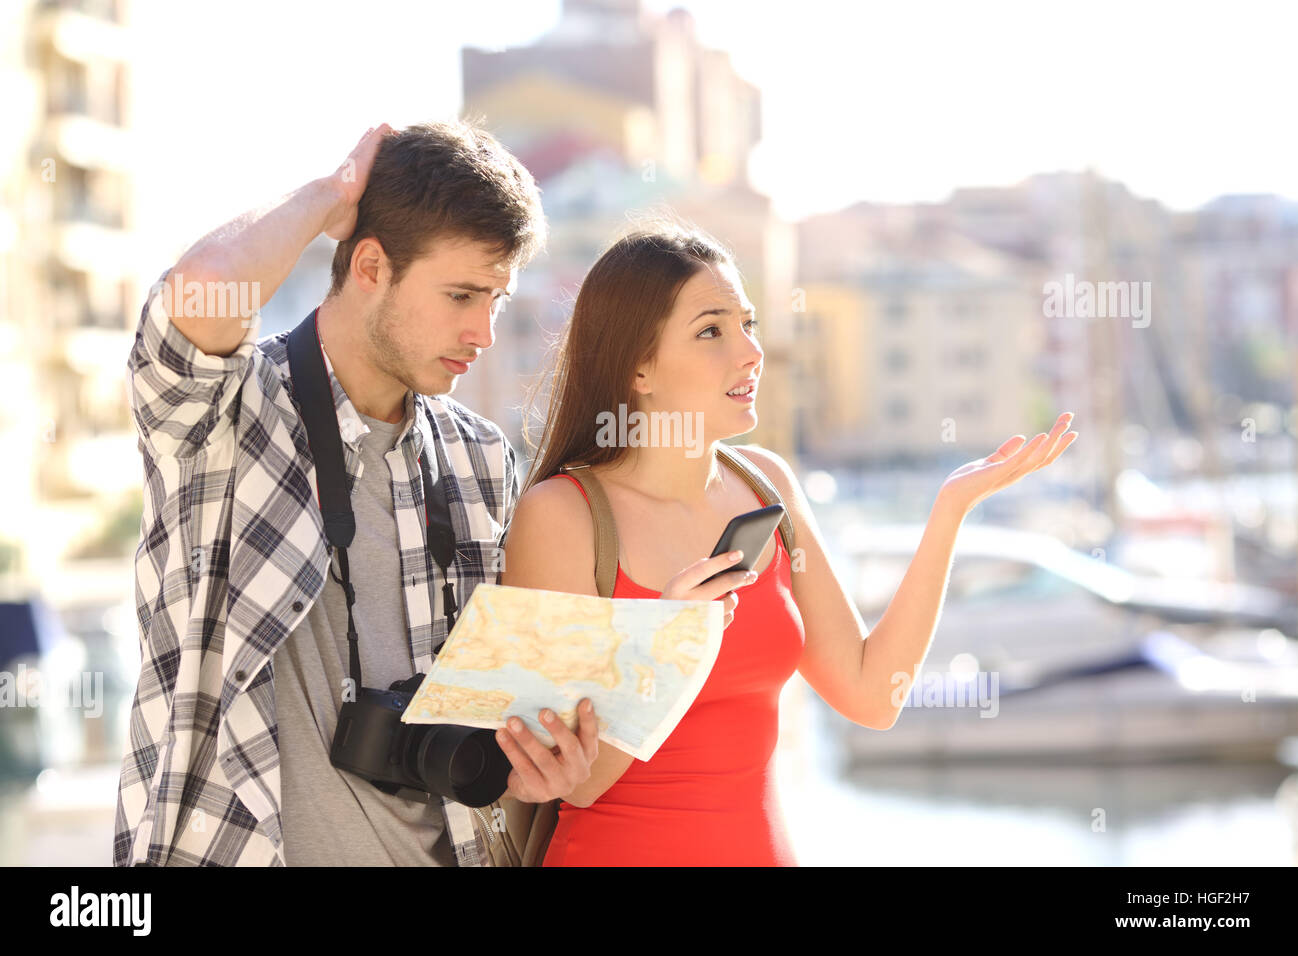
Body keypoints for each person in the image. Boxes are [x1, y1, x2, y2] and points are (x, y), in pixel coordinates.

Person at [502, 223, 1079, 865]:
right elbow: (572, 780)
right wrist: (669, 647)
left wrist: (950, 511)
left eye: (747, 324)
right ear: (638, 365)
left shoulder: (767, 486)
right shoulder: (559, 516)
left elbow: (872, 695)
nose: (750, 351)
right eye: (711, 330)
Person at [114, 121, 601, 867]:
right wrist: (331, 196)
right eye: (462, 294)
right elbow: (203, 292)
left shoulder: (480, 461)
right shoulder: (227, 416)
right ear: (370, 264)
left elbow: (499, 703)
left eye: (497, 300)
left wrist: (542, 768)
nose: (484, 331)